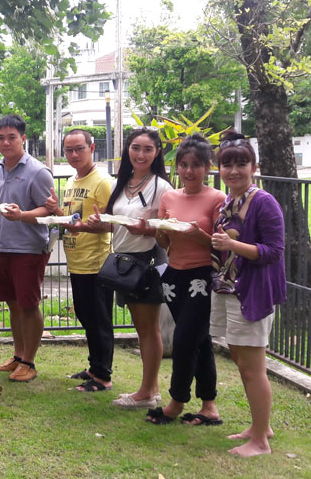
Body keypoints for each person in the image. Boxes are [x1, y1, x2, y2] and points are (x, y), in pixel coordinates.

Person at [210, 131, 285, 457]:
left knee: (252, 367)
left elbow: (273, 252)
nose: (234, 171)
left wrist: (232, 244)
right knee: (242, 362)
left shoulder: (263, 202)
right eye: (227, 165)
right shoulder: (230, 200)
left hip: (251, 293)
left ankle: (260, 442)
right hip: (229, 289)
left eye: (242, 164)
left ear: (254, 166)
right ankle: (259, 426)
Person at [85, 127, 172, 409]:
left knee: (149, 330)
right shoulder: (125, 182)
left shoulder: (161, 187)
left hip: (146, 264)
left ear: (157, 152)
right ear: (127, 149)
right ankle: (151, 389)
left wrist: (148, 228)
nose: (141, 154)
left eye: (148, 149)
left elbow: (166, 230)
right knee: (142, 328)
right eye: (135, 147)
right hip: (125, 263)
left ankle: (147, 393)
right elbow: (117, 222)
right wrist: (102, 224)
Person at [146, 134, 226, 425]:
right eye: (183, 165)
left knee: (183, 340)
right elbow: (165, 242)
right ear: (177, 167)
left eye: (196, 165)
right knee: (199, 340)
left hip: (201, 275)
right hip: (174, 274)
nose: (189, 171)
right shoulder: (169, 197)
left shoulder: (217, 198)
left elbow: (221, 245)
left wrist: (198, 235)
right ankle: (209, 405)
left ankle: (176, 401)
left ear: (207, 167)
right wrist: (159, 231)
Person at [44, 129, 115, 392]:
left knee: (99, 319)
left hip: (96, 262)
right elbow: (74, 221)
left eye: (79, 149)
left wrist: (83, 227)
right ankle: (94, 367)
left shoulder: (103, 182)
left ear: (92, 147)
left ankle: (103, 376)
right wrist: (56, 212)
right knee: (86, 316)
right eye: (69, 150)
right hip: (77, 261)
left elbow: (112, 225)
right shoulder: (74, 181)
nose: (74, 154)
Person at [0, 115, 54, 382]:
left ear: (23, 138)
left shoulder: (37, 171)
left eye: (11, 137)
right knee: (13, 305)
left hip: (29, 248)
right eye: (1, 137)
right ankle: (17, 356)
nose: (5, 142)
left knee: (29, 304)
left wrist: (22, 215)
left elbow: (48, 210)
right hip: (2, 247)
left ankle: (30, 361)